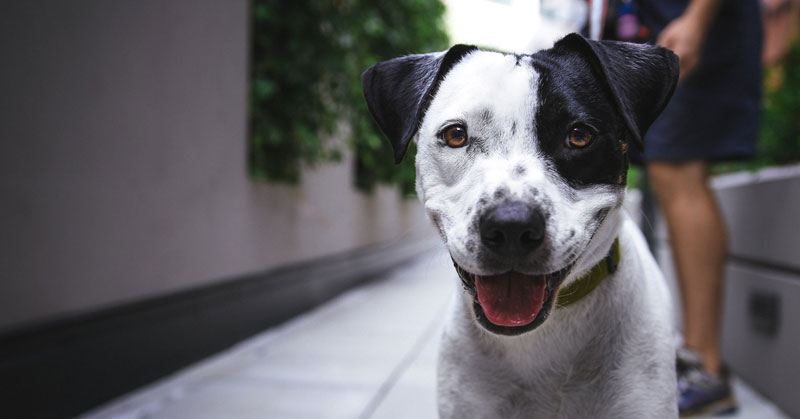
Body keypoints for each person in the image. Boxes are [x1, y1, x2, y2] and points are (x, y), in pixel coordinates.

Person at [631, 0, 763, 416]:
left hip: (690, 23)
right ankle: (693, 361)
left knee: (677, 167)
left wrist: (698, 18)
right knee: (666, 169)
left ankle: (705, 367)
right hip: (663, 24)